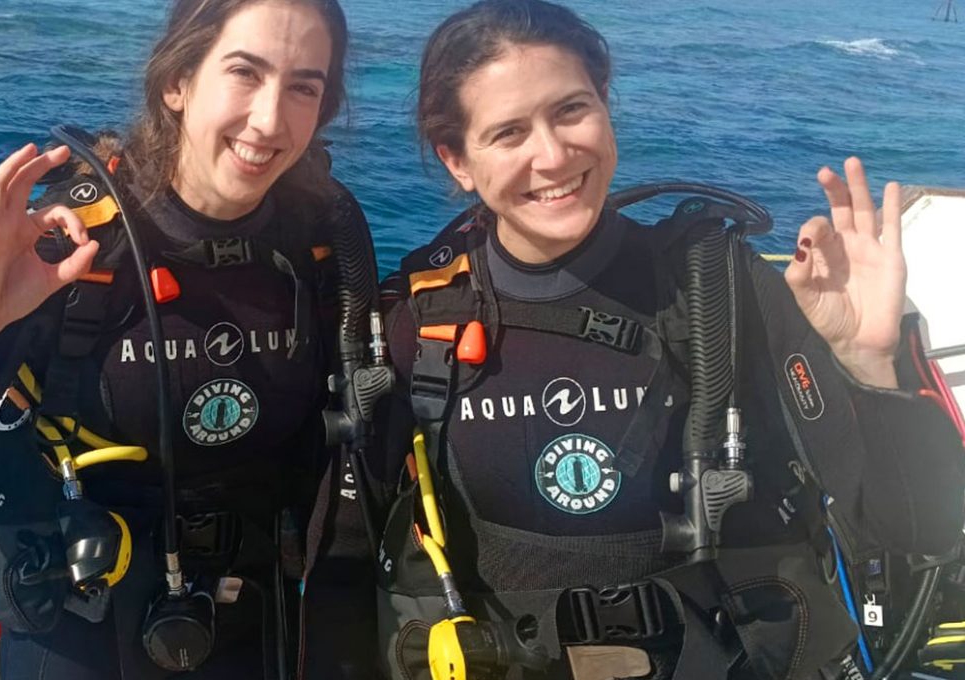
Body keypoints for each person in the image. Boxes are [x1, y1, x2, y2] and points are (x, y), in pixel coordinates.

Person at [367, 1, 965, 679]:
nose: (553, 155)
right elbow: (367, 547)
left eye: (571, 110)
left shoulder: (718, 288)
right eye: (509, 132)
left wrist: (868, 359)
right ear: (457, 160)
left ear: (605, 104)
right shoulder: (421, 322)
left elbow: (917, 529)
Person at [0, 0, 372, 678]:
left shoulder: (322, 245)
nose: (269, 119)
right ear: (177, 81)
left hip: (256, 627)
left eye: (304, 88)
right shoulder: (75, 249)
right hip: (77, 630)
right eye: (244, 73)